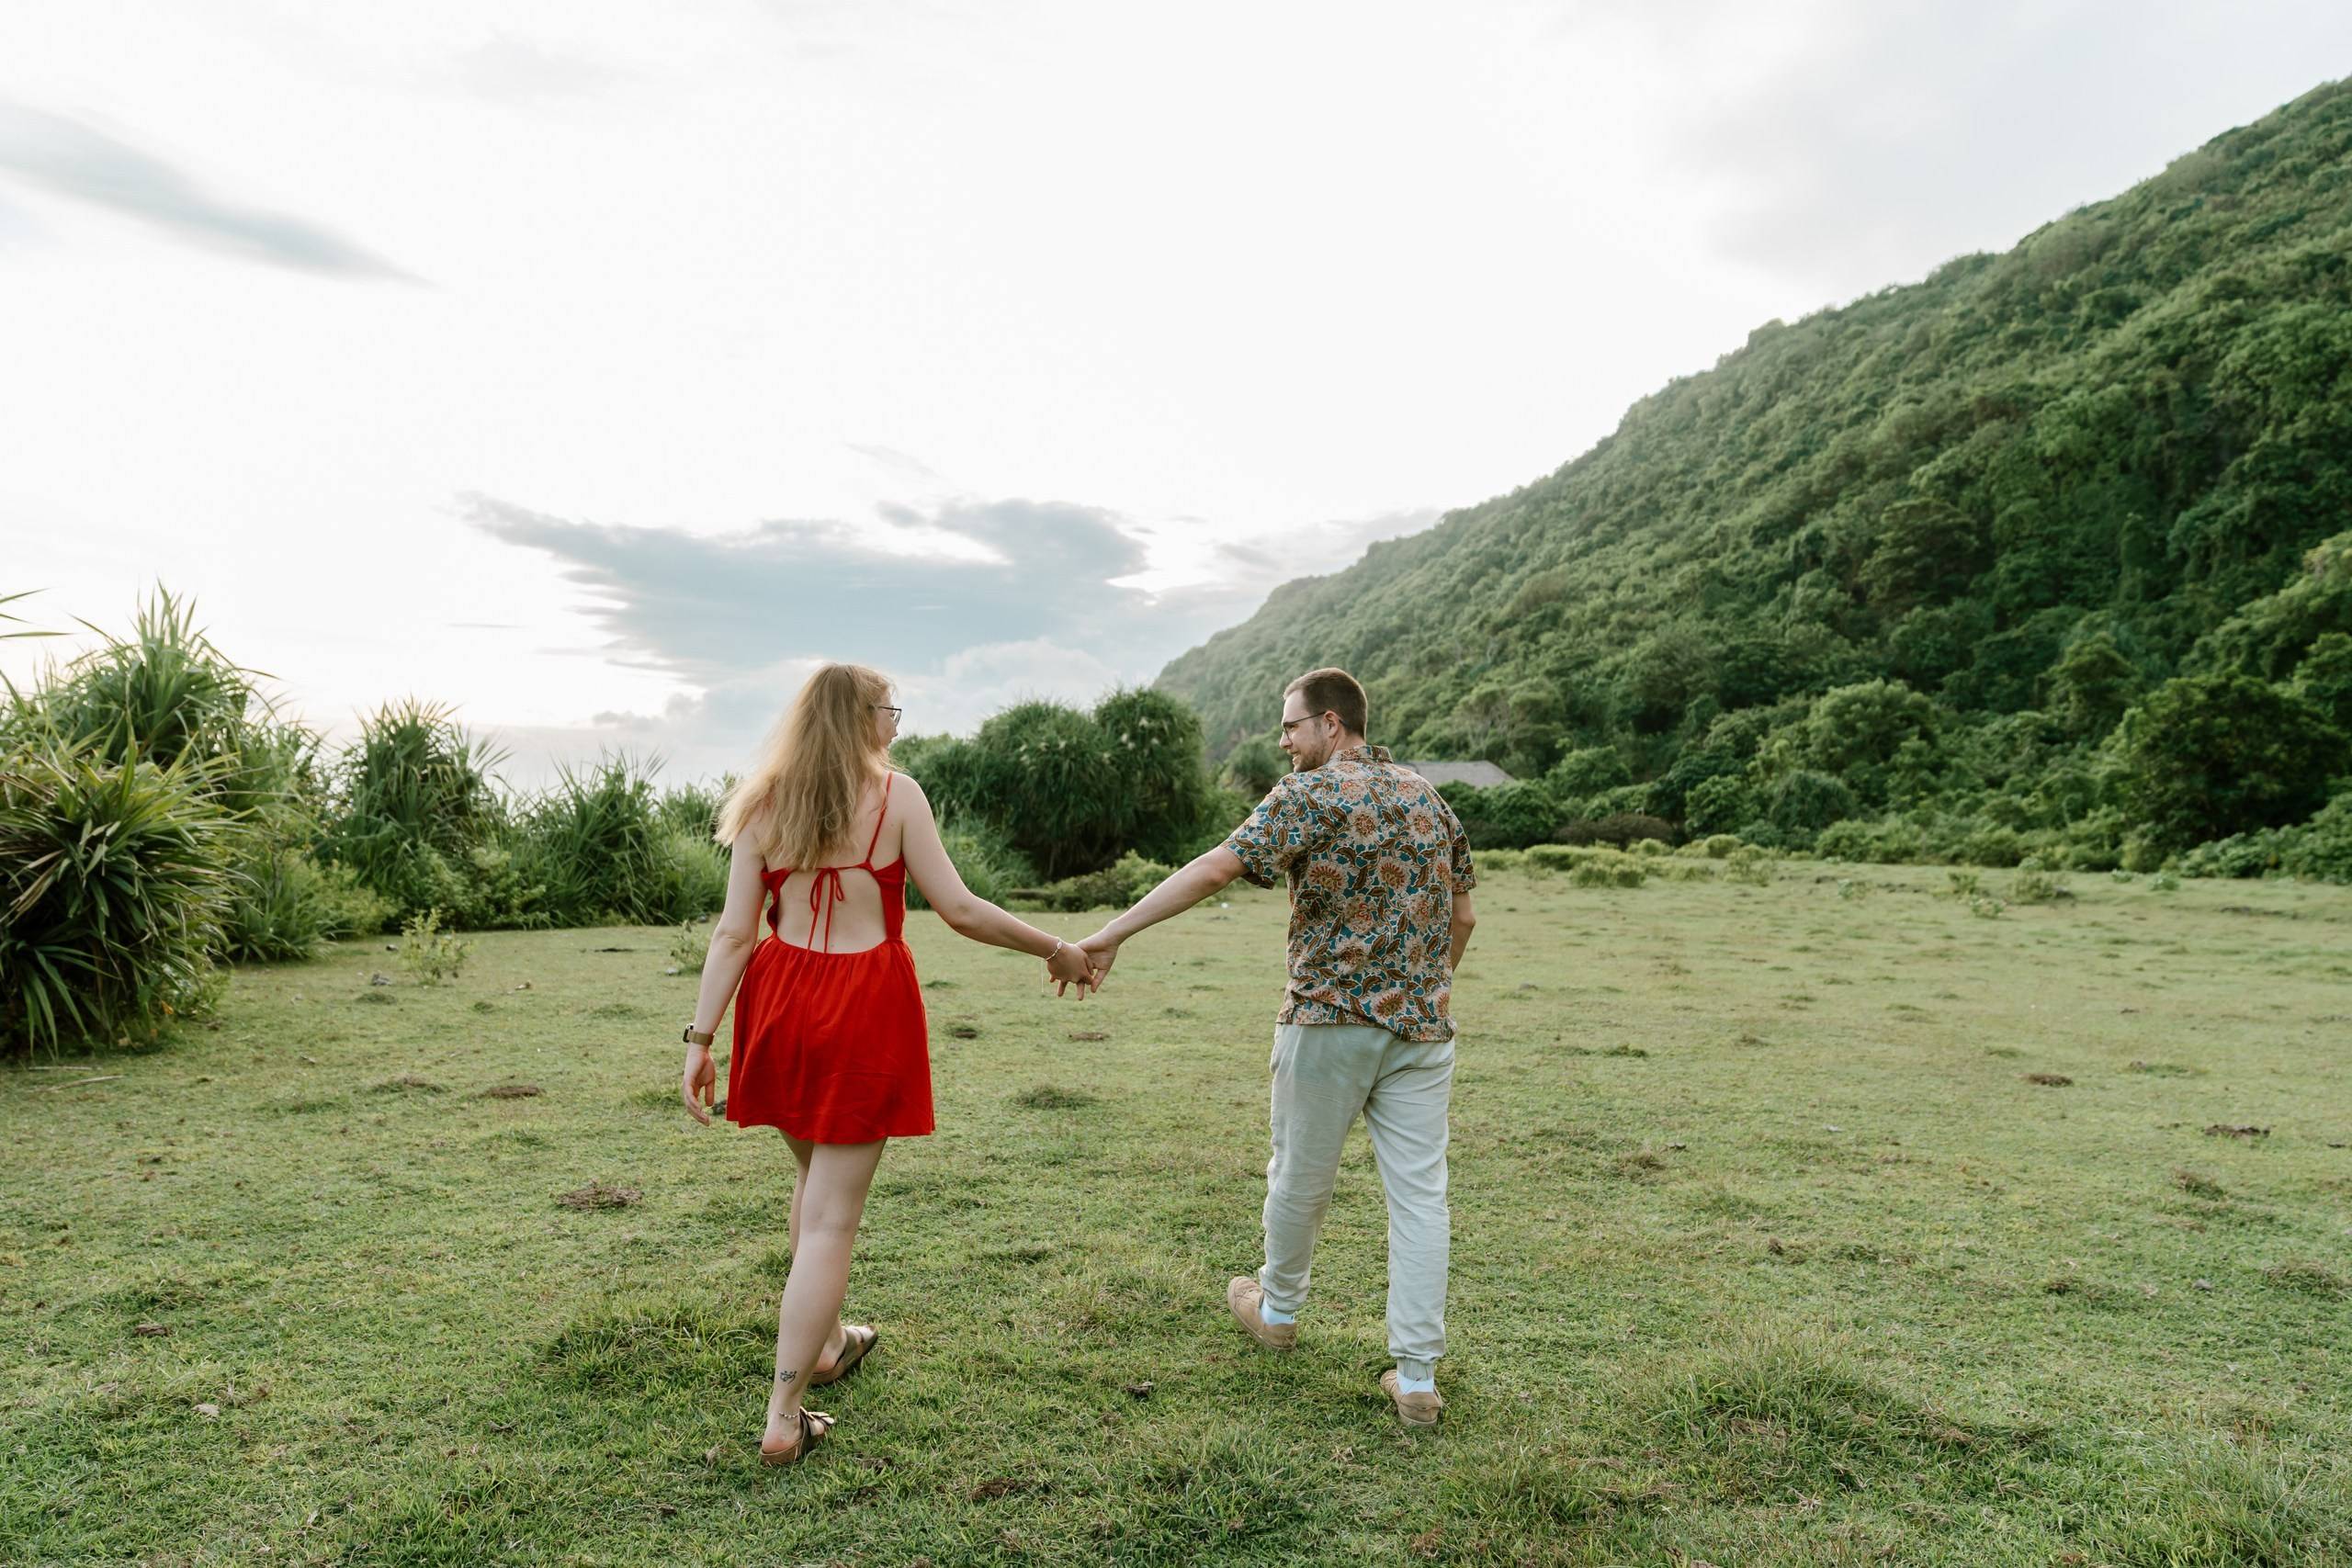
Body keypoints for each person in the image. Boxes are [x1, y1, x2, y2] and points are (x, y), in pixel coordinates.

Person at [680, 662, 1098, 1464]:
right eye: (889, 708)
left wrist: (700, 1042)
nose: (897, 722)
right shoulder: (897, 796)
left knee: (811, 1183)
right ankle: (783, 1412)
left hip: (780, 999)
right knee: (834, 1215)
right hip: (863, 1003)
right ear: (860, 717)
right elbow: (961, 908)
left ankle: (830, 1342)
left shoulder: (762, 802)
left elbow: (735, 933)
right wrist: (1057, 947)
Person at [1074, 667, 1476, 1427]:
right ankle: (1418, 1377)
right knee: (1421, 1196)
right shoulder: (1429, 797)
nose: (1284, 742)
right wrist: (1422, 987)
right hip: (1423, 1028)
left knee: (1299, 1175)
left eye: (1290, 727)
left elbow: (1214, 867)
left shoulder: (1309, 795)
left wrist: (1110, 932)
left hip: (1327, 1019)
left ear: (1331, 724)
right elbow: (1463, 917)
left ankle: (1280, 1309)